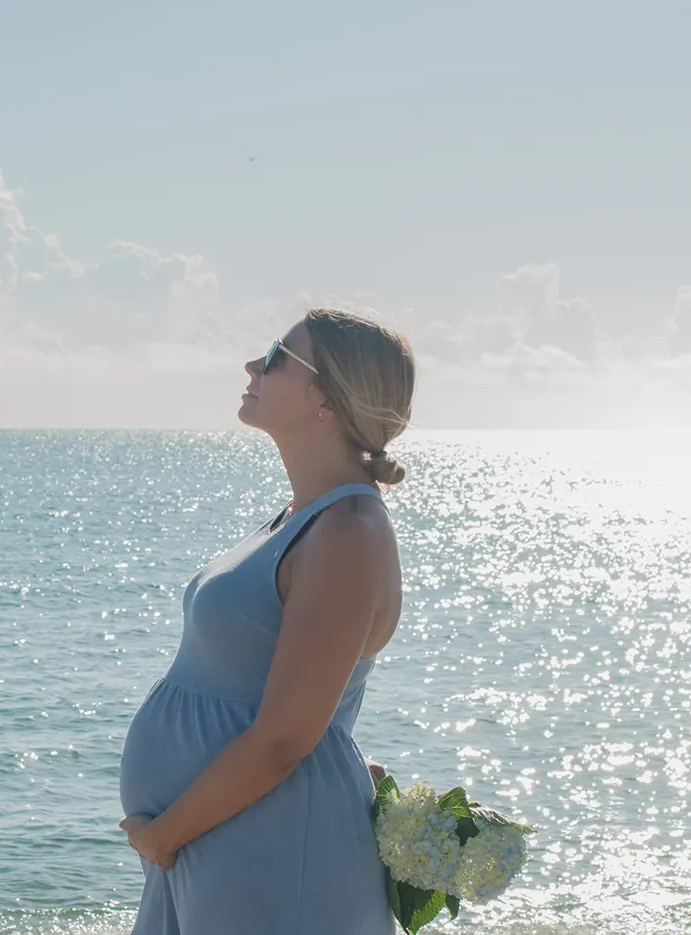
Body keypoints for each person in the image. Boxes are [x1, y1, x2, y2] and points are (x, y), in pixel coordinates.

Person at [117, 307, 415, 934]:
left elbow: (284, 739)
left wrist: (164, 836)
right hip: (227, 839)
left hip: (262, 847)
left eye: (278, 356)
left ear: (326, 398)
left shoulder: (347, 532)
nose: (254, 364)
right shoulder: (303, 516)